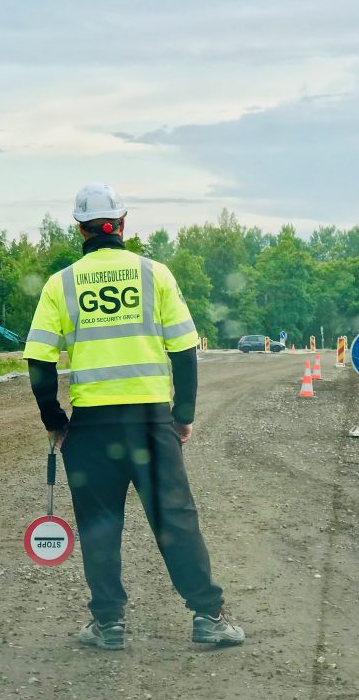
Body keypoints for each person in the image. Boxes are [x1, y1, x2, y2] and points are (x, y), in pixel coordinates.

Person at [22, 182, 244, 651]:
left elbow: (39, 360)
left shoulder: (60, 284)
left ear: (80, 230)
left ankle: (108, 624)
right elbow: (185, 350)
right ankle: (208, 616)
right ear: (122, 224)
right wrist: (182, 414)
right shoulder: (155, 275)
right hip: (149, 423)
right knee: (176, 520)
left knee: (100, 526)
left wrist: (54, 420)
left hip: (91, 428)